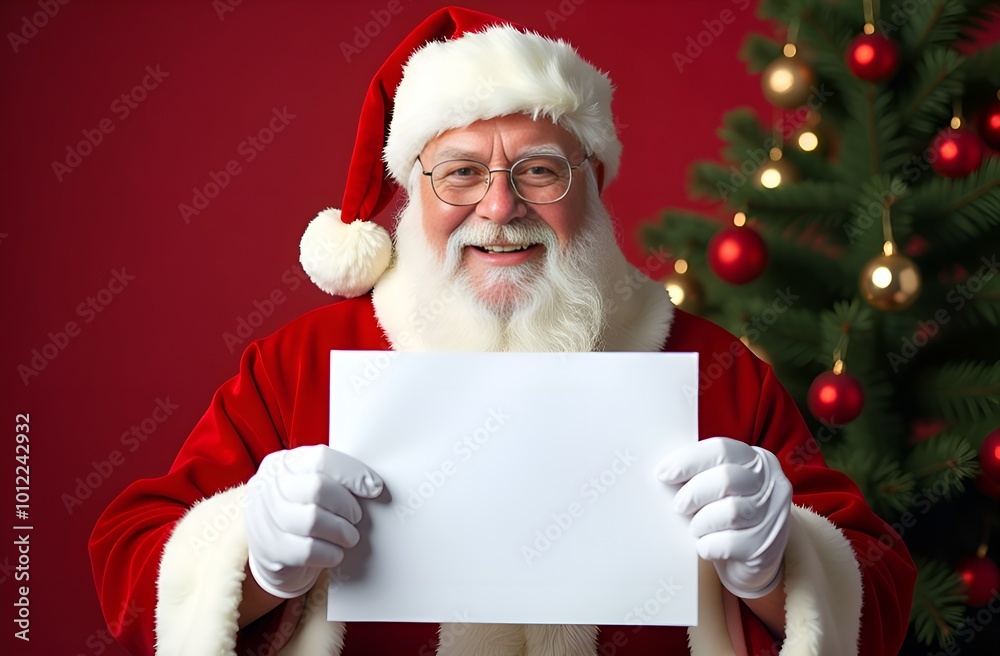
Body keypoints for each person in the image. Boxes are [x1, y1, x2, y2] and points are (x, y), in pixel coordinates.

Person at [89, 6, 915, 655]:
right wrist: (253, 558)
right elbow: (127, 565)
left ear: (592, 184)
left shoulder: (710, 365)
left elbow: (880, 590)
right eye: (460, 173)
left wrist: (778, 566)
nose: (498, 205)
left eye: (539, 170)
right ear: (413, 191)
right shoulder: (300, 363)